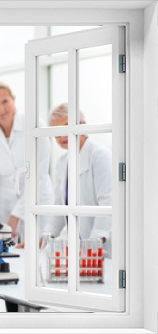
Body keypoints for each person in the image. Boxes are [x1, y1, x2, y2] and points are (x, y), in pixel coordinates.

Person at [0, 82, 55, 247]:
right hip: (3, 201)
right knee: (6, 252)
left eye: (5, 101)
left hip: (38, 198)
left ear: (13, 99)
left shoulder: (34, 125)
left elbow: (38, 176)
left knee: (37, 252)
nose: (0, 108)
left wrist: (16, 215)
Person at [42, 103, 112, 257]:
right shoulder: (62, 162)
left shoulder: (101, 157)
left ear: (83, 126)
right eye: (56, 132)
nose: (61, 136)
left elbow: (107, 206)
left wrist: (91, 249)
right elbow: (60, 207)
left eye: (67, 127)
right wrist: (44, 238)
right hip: (80, 251)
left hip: (104, 250)